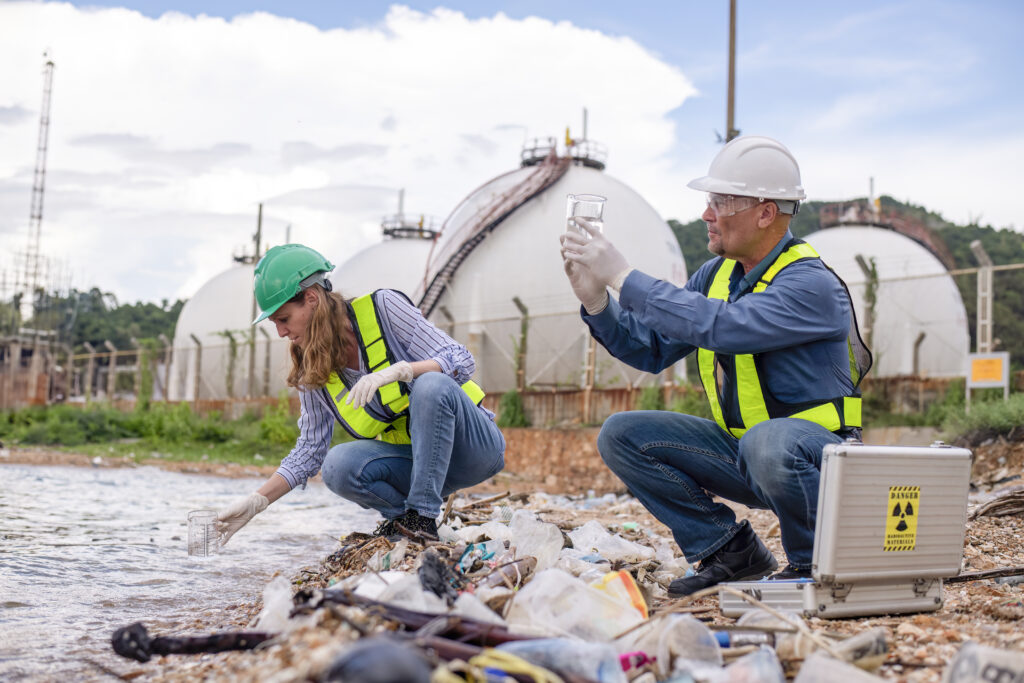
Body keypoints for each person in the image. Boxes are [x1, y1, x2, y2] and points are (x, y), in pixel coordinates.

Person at [560, 135, 871, 597]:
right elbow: (651, 349)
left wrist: (625, 278)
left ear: (765, 213)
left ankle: (816, 562)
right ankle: (729, 551)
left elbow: (723, 326)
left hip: (818, 460)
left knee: (768, 441)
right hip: (749, 454)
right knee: (623, 434)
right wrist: (597, 302)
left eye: (720, 202)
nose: (707, 214)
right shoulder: (717, 275)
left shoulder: (811, 285)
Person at [215, 244, 506, 546]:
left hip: (473, 451)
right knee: (338, 466)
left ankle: (422, 515)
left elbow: (462, 359)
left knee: (431, 385)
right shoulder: (312, 367)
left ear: (311, 298)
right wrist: (256, 503)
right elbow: (310, 450)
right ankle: (408, 524)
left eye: (284, 319)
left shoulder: (384, 308)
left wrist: (405, 370)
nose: (281, 332)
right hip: (417, 465)